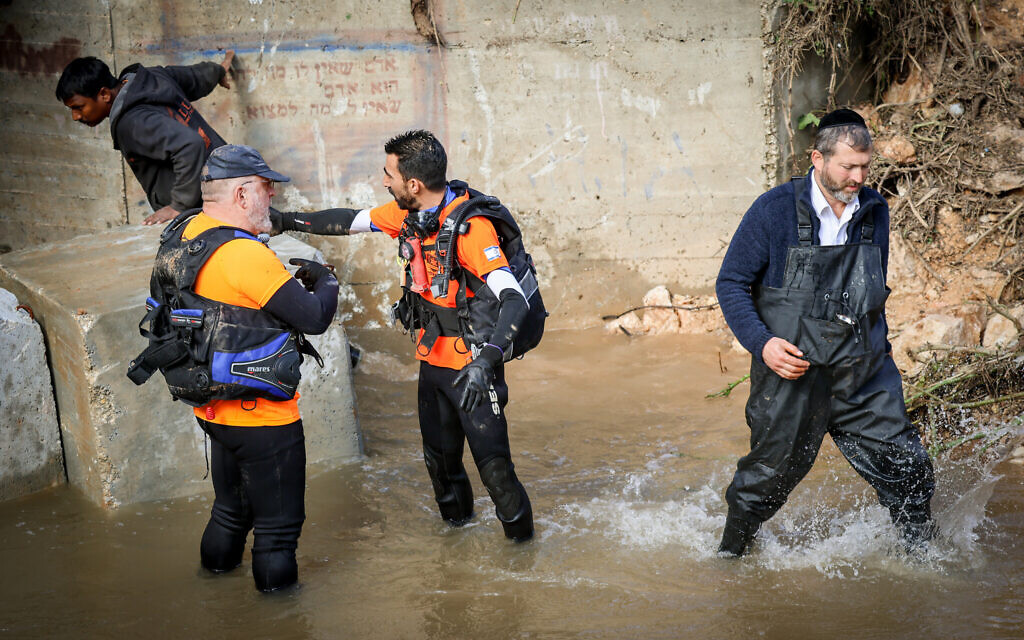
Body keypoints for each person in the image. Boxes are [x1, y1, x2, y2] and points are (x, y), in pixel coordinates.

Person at [274, 130, 535, 542]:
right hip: (433, 364)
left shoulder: (473, 230)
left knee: (497, 474)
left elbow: (515, 300)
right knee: (441, 469)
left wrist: (487, 362)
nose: (384, 182)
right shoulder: (408, 216)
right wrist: (283, 221)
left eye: (388, 174)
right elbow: (348, 220)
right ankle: (458, 557)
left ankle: (522, 558)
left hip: (472, 368)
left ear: (413, 185)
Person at [715, 108, 936, 556]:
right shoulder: (774, 210)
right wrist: (763, 344)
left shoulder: (875, 211)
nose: (858, 176)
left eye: (865, 166)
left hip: (863, 372)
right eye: (847, 166)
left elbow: (871, 294)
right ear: (817, 158)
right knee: (766, 481)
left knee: (908, 467)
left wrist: (881, 358)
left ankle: (925, 564)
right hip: (792, 373)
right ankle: (728, 559)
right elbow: (731, 283)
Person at [160, 144, 337, 591]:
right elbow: (313, 318)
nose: (271, 198)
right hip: (264, 418)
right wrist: (327, 281)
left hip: (212, 410)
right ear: (241, 194)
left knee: (229, 512)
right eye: (265, 189)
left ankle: (213, 588)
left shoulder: (185, 234)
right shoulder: (245, 255)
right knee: (277, 533)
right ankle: (279, 618)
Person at [55, 51, 233, 225]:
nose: (75, 116)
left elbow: (190, 144)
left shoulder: (131, 123)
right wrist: (219, 70)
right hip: (230, 173)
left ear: (104, 94)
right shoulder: (150, 78)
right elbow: (196, 77)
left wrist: (179, 206)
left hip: (211, 205)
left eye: (79, 107)